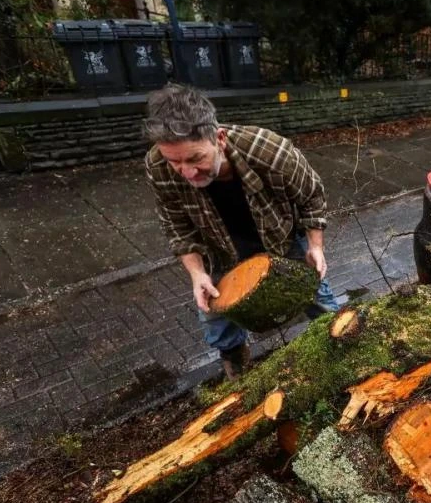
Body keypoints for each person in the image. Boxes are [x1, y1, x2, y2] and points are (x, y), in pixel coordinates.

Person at [143, 84, 340, 379]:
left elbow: (312, 195)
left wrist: (316, 246)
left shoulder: (270, 151)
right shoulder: (157, 166)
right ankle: (236, 363)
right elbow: (177, 226)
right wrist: (197, 275)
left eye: (196, 158)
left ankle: (339, 345)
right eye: (175, 161)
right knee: (214, 316)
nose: (187, 172)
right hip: (218, 250)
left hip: (280, 238)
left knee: (320, 300)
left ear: (219, 138)